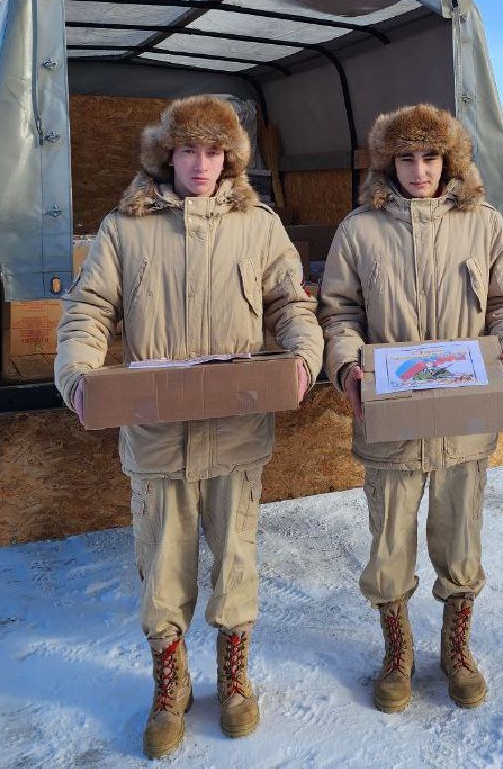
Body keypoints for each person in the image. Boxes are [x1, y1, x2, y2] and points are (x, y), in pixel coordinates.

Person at [55, 95, 322, 757]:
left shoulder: (258, 225)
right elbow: (89, 308)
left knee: (236, 559)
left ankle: (234, 680)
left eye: (214, 152)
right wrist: (78, 375)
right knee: (162, 565)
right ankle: (169, 686)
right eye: (189, 151)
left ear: (231, 159)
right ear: (166, 155)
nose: (202, 165)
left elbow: (291, 303)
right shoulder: (126, 227)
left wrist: (303, 358)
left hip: (236, 433)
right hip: (157, 436)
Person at [317, 104, 503, 714]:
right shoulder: (360, 230)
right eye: (406, 158)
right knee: (389, 544)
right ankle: (398, 652)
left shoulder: (484, 224)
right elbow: (339, 312)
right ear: (389, 164)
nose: (419, 170)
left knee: (460, 540)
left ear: (449, 160)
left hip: (463, 423)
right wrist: (347, 365)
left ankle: (456, 649)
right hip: (391, 423)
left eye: (430, 157)